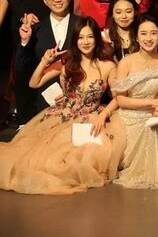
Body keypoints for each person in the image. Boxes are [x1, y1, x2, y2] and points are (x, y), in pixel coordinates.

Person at [0, 17, 124, 195]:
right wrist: (44, 61)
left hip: (90, 117)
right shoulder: (68, 63)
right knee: (35, 157)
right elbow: (34, 83)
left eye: (90, 37)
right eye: (81, 38)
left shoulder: (107, 66)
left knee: (79, 159)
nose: (86, 42)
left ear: (96, 38)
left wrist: (103, 114)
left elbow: (119, 97)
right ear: (75, 41)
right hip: (62, 115)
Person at [111, 15, 158, 189]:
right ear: (136, 37)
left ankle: (153, 174)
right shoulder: (126, 63)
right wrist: (152, 103)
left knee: (150, 128)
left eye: (153, 33)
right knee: (145, 128)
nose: (148, 38)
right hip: (127, 116)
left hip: (152, 116)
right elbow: (120, 99)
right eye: (143, 34)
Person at [14, 0, 82, 124]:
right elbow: (22, 68)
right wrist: (24, 41)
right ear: (45, 1)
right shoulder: (35, 30)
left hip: (78, 102)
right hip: (44, 104)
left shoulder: (82, 25)